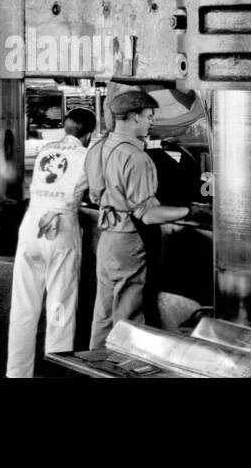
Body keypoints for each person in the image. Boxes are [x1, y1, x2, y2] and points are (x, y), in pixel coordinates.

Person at [86, 91, 192, 349]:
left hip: (106, 238)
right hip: (128, 242)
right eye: (148, 117)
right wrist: (188, 212)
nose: (151, 122)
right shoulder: (136, 158)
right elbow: (147, 213)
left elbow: (93, 193)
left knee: (103, 313)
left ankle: (95, 365)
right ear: (134, 117)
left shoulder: (99, 147)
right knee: (128, 317)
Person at [5, 107, 97, 378]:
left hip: (31, 226)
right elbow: (97, 193)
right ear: (89, 134)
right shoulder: (87, 155)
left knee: (22, 308)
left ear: (66, 129)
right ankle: (56, 373)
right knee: (60, 309)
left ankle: (16, 374)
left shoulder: (47, 149)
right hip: (60, 228)